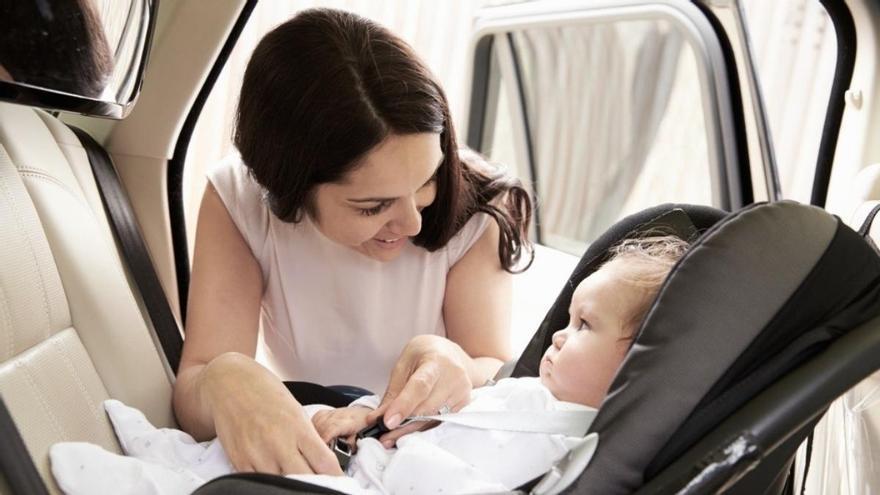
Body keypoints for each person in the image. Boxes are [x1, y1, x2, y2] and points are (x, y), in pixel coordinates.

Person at [173, 7, 534, 477]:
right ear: (291, 188)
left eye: (426, 181)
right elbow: (196, 381)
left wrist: (459, 367)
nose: (411, 223)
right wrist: (226, 379)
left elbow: (493, 365)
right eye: (372, 206)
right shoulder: (239, 199)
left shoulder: (477, 204)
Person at [46, 235, 691, 495]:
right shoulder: (539, 403)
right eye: (566, 318)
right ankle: (163, 455)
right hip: (375, 448)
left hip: (383, 482)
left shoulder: (565, 437)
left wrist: (400, 450)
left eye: (583, 328)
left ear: (638, 363)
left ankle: (145, 479)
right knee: (286, 426)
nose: (553, 337)